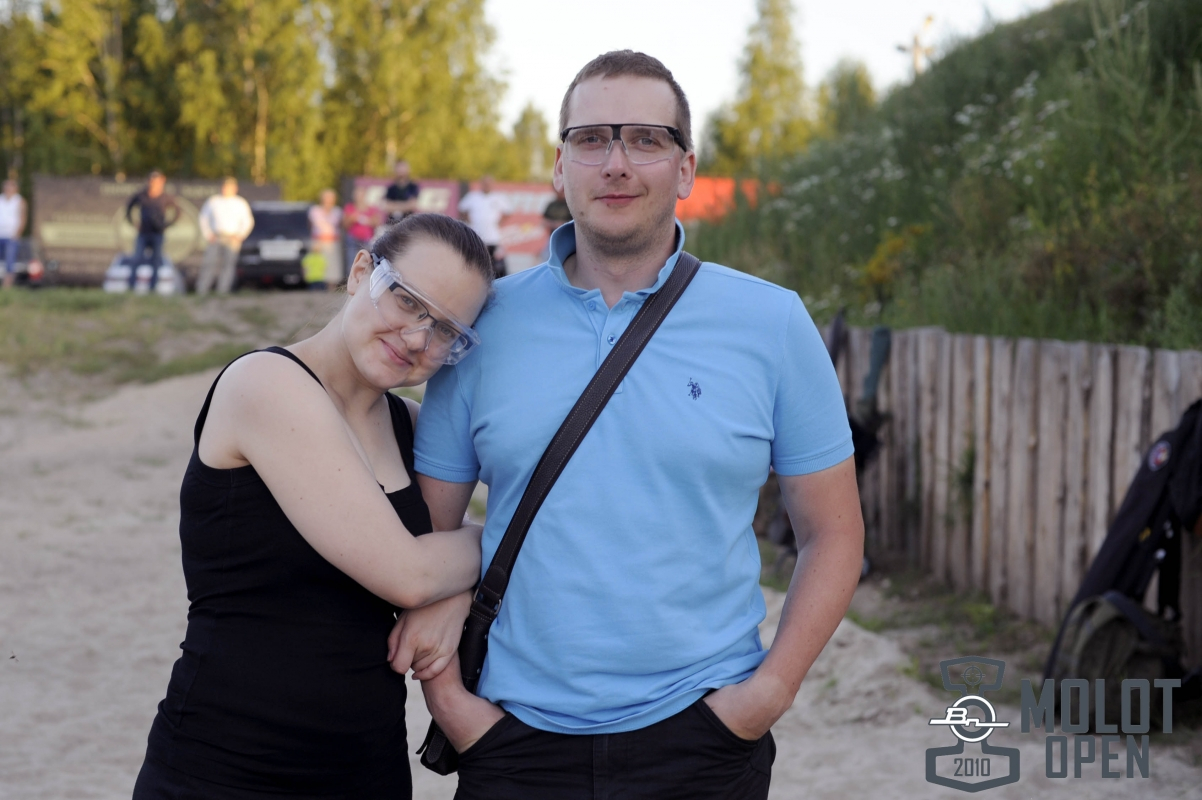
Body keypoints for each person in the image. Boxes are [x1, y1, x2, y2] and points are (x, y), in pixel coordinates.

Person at [389, 51, 865, 799]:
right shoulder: (483, 325)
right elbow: (426, 535)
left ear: (685, 169)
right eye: (591, 139)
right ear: (559, 167)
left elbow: (833, 534)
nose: (616, 162)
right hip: (512, 740)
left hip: (705, 736)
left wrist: (767, 694)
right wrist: (451, 704)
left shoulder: (771, 322)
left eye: (646, 139)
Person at [132, 214, 495, 799]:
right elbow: (409, 573)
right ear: (361, 272)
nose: (416, 339)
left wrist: (455, 593)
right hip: (225, 768)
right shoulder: (265, 384)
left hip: (369, 768)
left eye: (446, 330)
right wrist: (483, 545)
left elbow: (525, 515)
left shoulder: (411, 428)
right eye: (407, 301)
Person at [196, 177, 255, 295]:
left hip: (232, 238)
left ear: (235, 188)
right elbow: (203, 218)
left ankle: (223, 291)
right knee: (209, 263)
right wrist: (208, 234)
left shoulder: (240, 203)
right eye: (224, 186)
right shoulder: (214, 201)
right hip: (216, 236)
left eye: (229, 187)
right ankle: (202, 290)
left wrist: (240, 235)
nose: (226, 189)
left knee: (228, 265)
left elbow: (248, 221)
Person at [125, 171, 180, 290]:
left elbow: (178, 212)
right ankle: (131, 287)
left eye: (157, 182)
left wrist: (166, 225)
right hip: (143, 233)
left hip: (158, 234)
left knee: (156, 261)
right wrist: (133, 223)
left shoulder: (166, 197)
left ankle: (152, 288)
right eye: (153, 181)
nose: (154, 184)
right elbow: (128, 208)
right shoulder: (141, 195)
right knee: (137, 259)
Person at [457, 175, 512, 277]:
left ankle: (496, 281)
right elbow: (462, 209)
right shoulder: (473, 196)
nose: (487, 185)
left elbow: (507, 212)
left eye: (489, 183)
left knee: (496, 265)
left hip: (492, 237)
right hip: (476, 235)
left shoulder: (498, 197)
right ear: (481, 184)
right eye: (485, 183)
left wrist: (499, 223)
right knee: (475, 262)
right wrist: (469, 221)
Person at [308, 188, 343, 290]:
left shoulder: (337, 211)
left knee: (332, 266)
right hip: (319, 241)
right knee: (318, 264)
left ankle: (331, 287)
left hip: (332, 242)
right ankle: (318, 286)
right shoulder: (315, 210)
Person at [344, 185, 381, 270]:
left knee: (367, 263)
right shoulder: (350, 207)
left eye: (361, 194)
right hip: (353, 239)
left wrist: (368, 221)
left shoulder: (371, 208)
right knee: (351, 263)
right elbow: (345, 224)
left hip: (366, 240)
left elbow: (377, 222)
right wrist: (352, 218)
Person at [0, 178, 27, 289]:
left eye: (11, 186)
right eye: (6, 186)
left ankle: (7, 287)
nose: (8, 188)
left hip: (11, 236)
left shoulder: (20, 201)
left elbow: (23, 218)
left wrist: (17, 234)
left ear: (16, 188)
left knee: (10, 261)